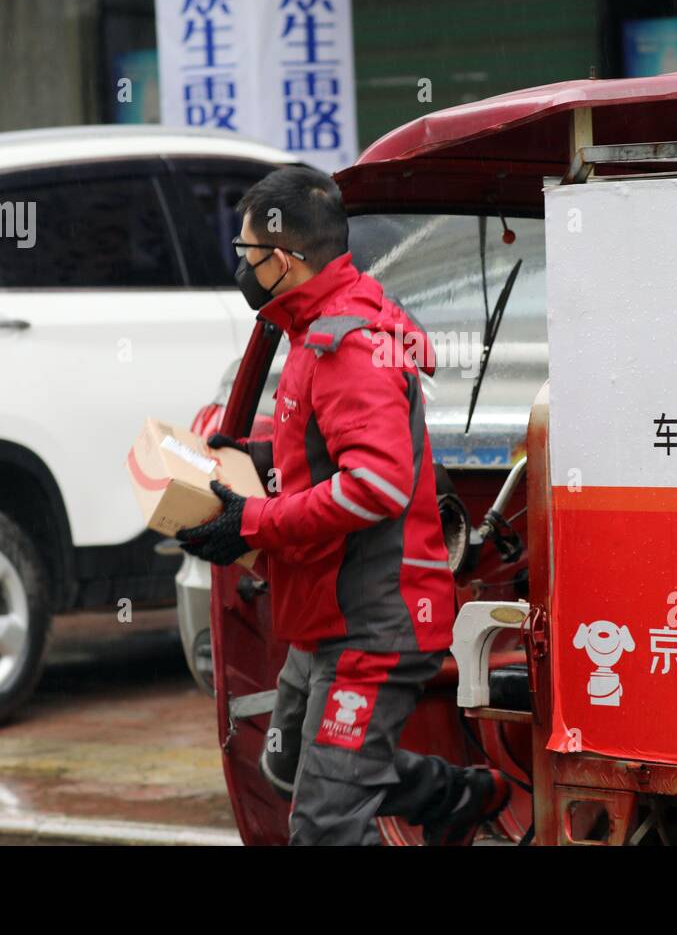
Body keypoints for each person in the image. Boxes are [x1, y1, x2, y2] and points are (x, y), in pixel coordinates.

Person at [178, 166, 510, 846]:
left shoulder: (348, 344)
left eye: (245, 254)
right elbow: (327, 448)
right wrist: (256, 457)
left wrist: (251, 521)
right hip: (327, 618)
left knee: (327, 825)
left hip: (372, 629)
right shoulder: (314, 328)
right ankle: (460, 795)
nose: (240, 267)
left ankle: (457, 796)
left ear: (280, 258)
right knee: (291, 764)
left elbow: (378, 483)